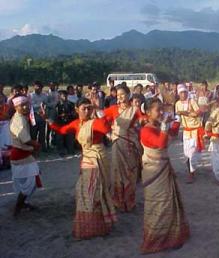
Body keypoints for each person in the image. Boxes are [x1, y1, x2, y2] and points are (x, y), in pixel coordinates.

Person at [45, 98, 117, 239]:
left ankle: (96, 226)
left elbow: (105, 128)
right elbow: (62, 130)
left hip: (97, 158)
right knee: (85, 191)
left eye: (89, 108)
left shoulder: (95, 122)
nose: (87, 111)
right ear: (77, 110)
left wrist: (98, 111)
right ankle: (94, 225)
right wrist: (50, 122)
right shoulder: (76, 124)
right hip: (87, 159)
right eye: (84, 108)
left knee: (93, 191)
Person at [140, 98, 190, 254]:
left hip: (163, 168)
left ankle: (170, 236)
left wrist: (176, 121)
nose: (161, 112)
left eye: (162, 109)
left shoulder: (156, 126)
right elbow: (161, 143)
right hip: (154, 172)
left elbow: (171, 135)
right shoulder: (146, 130)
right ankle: (157, 239)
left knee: (167, 203)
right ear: (148, 113)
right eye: (157, 110)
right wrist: (164, 124)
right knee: (160, 205)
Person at [103, 84, 145, 212]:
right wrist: (108, 134)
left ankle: (129, 202)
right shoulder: (113, 109)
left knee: (130, 173)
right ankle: (118, 202)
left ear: (128, 95)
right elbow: (100, 120)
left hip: (131, 145)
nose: (120, 97)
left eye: (123, 94)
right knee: (117, 174)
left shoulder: (135, 109)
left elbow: (144, 120)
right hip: (117, 145)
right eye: (118, 94)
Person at [10, 96, 41, 217]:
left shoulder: (21, 117)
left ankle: (23, 203)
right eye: (22, 105)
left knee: (27, 182)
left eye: (27, 104)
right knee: (29, 183)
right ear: (16, 107)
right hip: (21, 155)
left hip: (22, 154)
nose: (26, 107)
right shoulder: (19, 120)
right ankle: (18, 208)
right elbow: (26, 140)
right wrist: (36, 144)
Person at [175, 84, 204, 183]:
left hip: (195, 130)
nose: (183, 94)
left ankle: (192, 173)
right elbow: (178, 118)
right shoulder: (177, 103)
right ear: (179, 94)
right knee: (187, 153)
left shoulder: (192, 101)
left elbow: (198, 113)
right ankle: (190, 172)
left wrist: (184, 113)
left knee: (193, 153)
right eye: (181, 93)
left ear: (187, 93)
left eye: (184, 92)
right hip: (186, 131)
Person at [55, 90, 76, 156]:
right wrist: (60, 116)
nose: (65, 97)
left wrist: (69, 115)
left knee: (70, 137)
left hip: (69, 122)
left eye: (66, 96)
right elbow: (55, 115)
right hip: (60, 123)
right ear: (60, 96)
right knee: (59, 137)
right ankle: (61, 150)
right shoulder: (57, 105)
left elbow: (74, 113)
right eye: (63, 96)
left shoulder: (71, 104)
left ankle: (70, 149)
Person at [30, 81, 48, 152]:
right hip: (34, 115)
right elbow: (31, 105)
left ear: (41, 88)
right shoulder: (31, 95)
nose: (38, 88)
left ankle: (42, 147)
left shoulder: (44, 95)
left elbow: (46, 104)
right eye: (36, 86)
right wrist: (40, 105)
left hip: (42, 116)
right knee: (33, 133)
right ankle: (33, 148)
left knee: (42, 132)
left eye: (39, 87)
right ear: (34, 87)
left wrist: (43, 107)